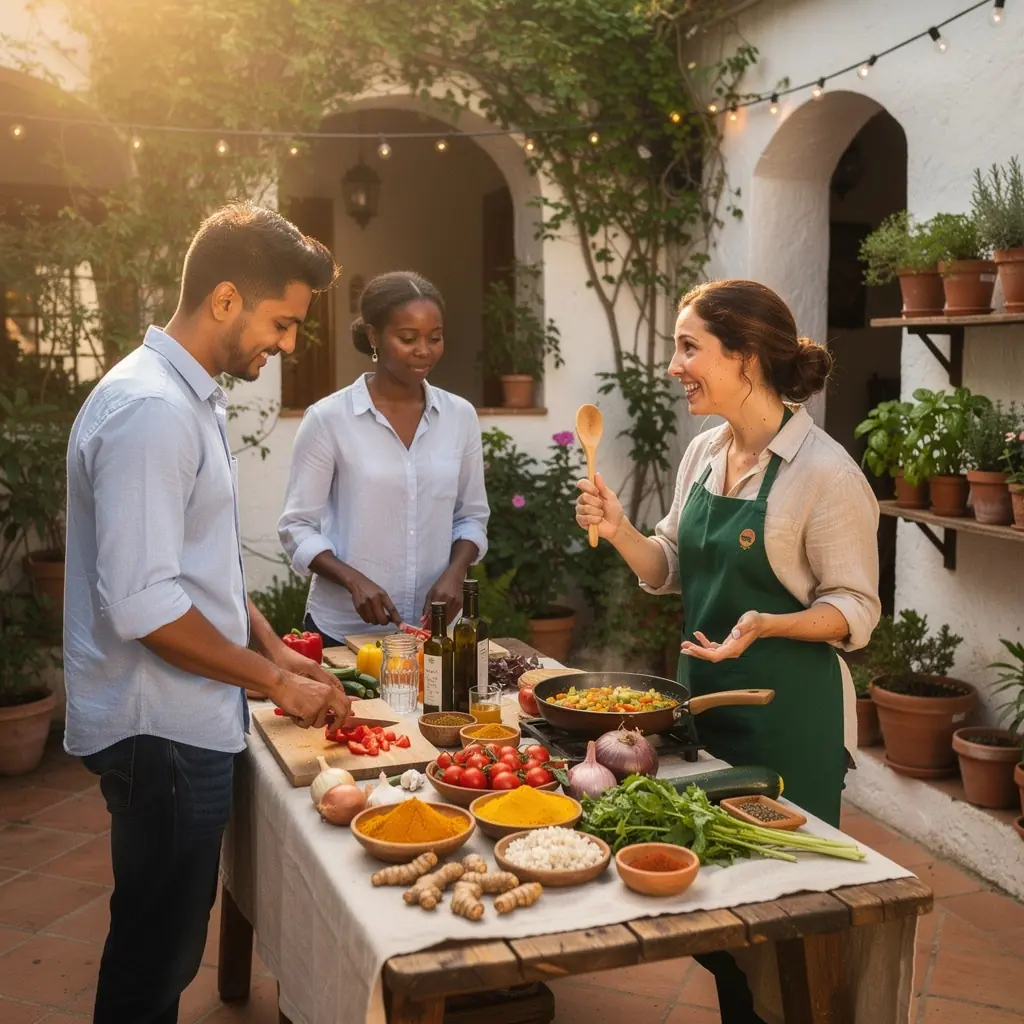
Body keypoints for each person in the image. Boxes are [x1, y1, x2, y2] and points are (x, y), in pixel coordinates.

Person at [64, 201, 353, 1024]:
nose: (289, 344)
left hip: (187, 715)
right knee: (155, 955)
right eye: (283, 322)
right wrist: (274, 680)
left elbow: (202, 565)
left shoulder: (188, 396)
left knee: (170, 939)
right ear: (224, 299)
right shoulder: (151, 410)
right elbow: (147, 605)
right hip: (158, 728)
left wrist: (273, 648)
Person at [574, 279, 879, 1023]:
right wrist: (618, 528)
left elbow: (858, 609)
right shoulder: (707, 450)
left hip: (788, 719)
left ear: (744, 357)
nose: (674, 365)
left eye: (689, 348)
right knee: (721, 921)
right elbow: (667, 565)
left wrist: (769, 625)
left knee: (784, 916)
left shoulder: (826, 474)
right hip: (703, 709)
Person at [278, 271, 489, 644]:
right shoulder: (328, 419)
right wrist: (353, 580)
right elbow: (296, 528)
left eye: (435, 338)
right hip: (342, 633)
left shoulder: (460, 417)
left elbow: (471, 516)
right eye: (408, 338)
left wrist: (456, 572)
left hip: (434, 634)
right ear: (374, 336)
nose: (424, 350)